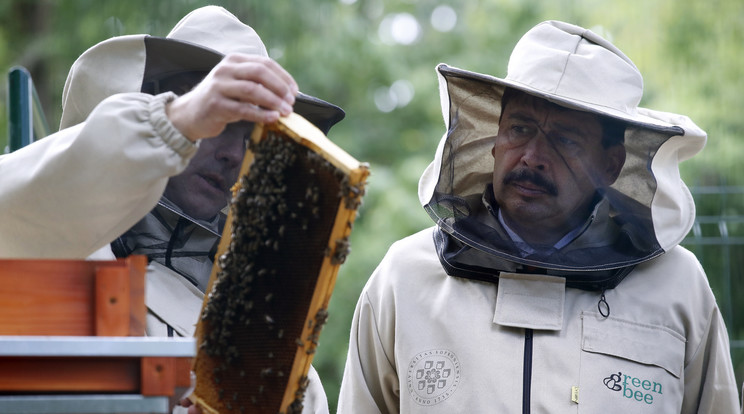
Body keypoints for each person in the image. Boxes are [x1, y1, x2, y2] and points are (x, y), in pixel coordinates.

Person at [338, 20, 740, 413]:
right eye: (520, 128)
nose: (532, 157)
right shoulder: (403, 277)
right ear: (495, 139)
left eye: (565, 140)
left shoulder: (677, 286)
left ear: (611, 165)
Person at [0, 6, 343, 414]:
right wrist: (176, 124)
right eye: (219, 117)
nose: (233, 153)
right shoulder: (63, 253)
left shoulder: (273, 352)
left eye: (252, 136)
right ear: (151, 100)